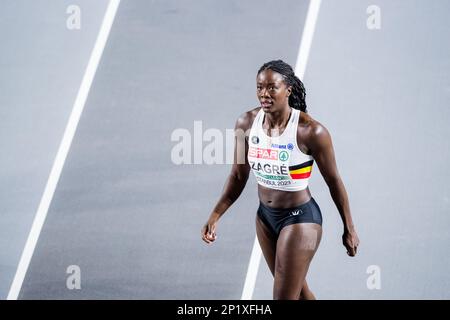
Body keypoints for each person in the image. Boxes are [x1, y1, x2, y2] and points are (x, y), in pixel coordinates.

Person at [201, 59, 359, 300]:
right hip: (265, 218)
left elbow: (334, 181)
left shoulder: (311, 131)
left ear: (288, 89)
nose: (264, 94)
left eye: (272, 87)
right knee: (300, 293)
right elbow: (237, 175)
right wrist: (215, 216)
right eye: (259, 87)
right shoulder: (246, 123)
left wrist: (349, 228)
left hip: (301, 221)